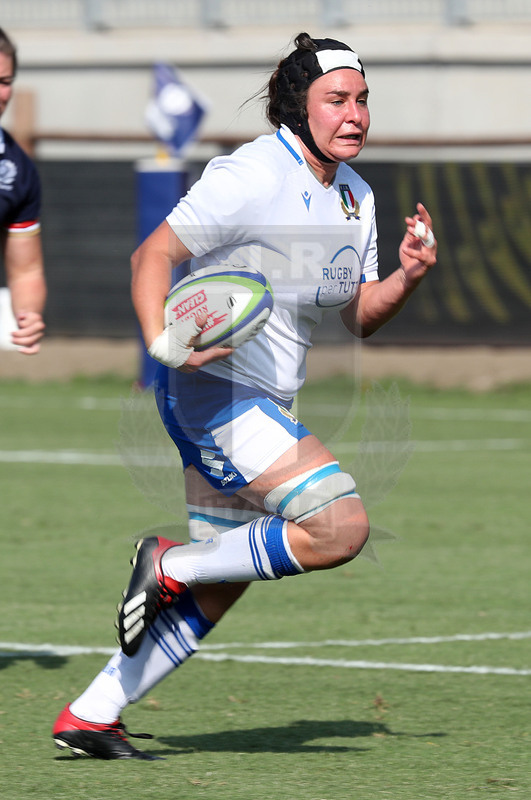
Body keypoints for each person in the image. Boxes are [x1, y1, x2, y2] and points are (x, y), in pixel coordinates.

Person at [52, 32, 437, 760]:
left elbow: (358, 316)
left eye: (361, 100)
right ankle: (165, 565)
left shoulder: (356, 197)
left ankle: (90, 715)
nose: (353, 114)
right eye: (336, 100)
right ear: (298, 107)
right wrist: (161, 341)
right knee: (339, 526)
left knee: (222, 579)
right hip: (214, 393)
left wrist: (406, 277)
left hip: (266, 402)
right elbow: (152, 254)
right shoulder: (255, 172)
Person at [0, 27, 46, 354]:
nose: (0, 93)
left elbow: (26, 270)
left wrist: (28, 314)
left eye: (4, 82)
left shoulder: (17, 171)